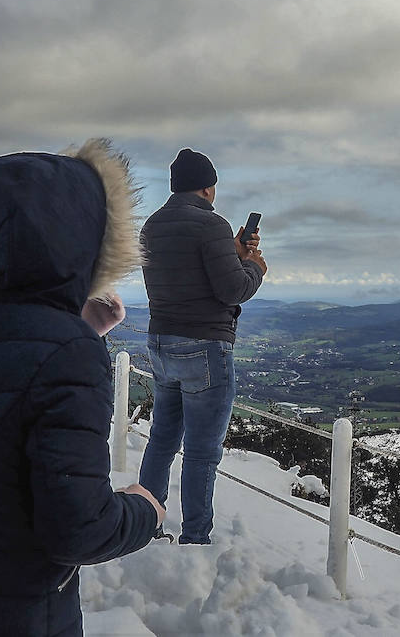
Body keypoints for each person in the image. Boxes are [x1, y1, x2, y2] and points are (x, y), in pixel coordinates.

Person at [0, 140, 164, 637]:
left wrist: (77, 326)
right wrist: (143, 511)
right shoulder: (70, 352)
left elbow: (1, 406)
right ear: (87, 236)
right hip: (14, 614)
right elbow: (78, 530)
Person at [137, 148, 267, 545]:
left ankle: (147, 525)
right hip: (205, 347)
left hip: (161, 342)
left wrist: (230, 251)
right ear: (208, 188)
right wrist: (253, 267)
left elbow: (186, 272)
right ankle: (195, 538)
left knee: (162, 438)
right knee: (201, 451)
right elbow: (233, 289)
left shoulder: (152, 225)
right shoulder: (211, 225)